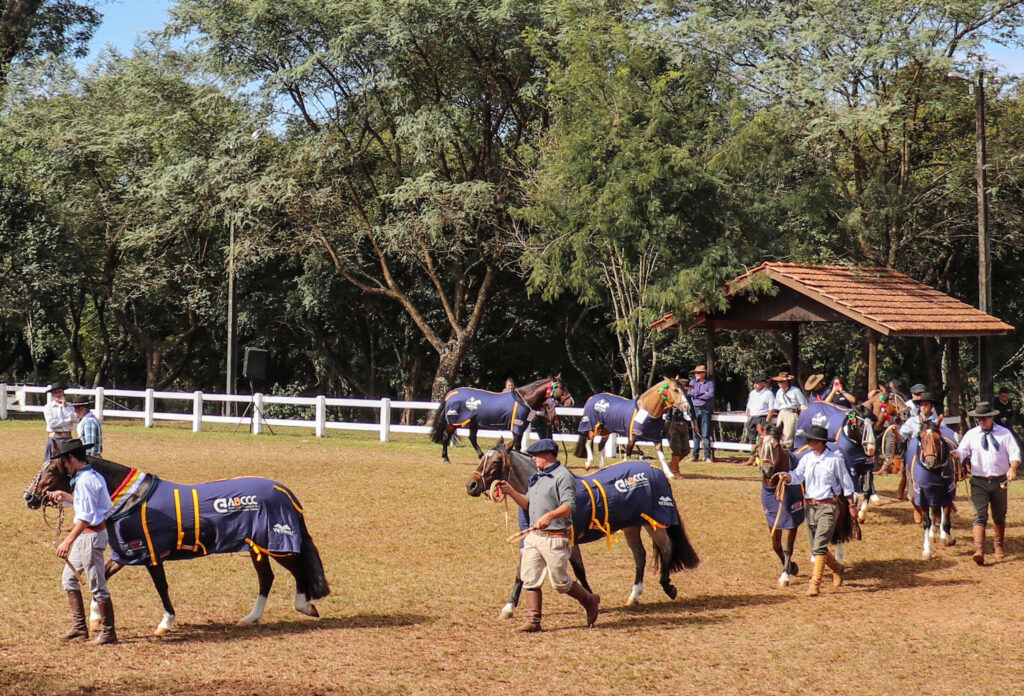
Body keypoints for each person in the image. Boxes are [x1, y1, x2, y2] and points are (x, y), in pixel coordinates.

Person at [496, 439, 600, 632]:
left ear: (548, 455)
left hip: (555, 537)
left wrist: (550, 515)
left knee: (560, 583)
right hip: (535, 537)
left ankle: (589, 600)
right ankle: (533, 620)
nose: (533, 459)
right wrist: (510, 492)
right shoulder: (537, 477)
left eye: (536, 455)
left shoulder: (562, 476)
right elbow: (527, 503)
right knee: (530, 578)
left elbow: (569, 506)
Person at [48, 438, 117, 644]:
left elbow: (86, 517)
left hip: (90, 537)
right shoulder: (90, 476)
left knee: (97, 586)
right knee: (69, 579)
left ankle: (108, 632)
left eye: (64, 461)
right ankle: (79, 627)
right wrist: (68, 498)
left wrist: (67, 542)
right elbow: (97, 505)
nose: (63, 466)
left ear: (71, 458)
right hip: (85, 535)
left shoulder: (86, 481)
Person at [775, 425, 856, 596]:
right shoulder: (807, 459)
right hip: (810, 507)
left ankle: (815, 583)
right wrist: (787, 477)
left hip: (828, 506)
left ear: (820, 442)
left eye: (810, 439)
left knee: (819, 546)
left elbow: (847, 485)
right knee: (816, 547)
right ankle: (837, 568)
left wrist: (851, 505)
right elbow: (798, 475)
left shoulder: (835, 460)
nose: (808, 442)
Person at [955, 402, 1021, 565]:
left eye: (984, 419)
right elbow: (963, 450)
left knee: (999, 515)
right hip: (979, 481)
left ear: (992, 417)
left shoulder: (1004, 433)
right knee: (979, 515)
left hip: (1000, 480)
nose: (981, 422)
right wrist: (956, 454)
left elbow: (1015, 453)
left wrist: (1012, 469)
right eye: (979, 419)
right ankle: (979, 550)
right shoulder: (971, 434)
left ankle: (998, 545)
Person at [767, 372, 806, 449]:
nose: (779, 383)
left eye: (781, 381)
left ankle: (788, 451)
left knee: (788, 434)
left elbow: (803, 403)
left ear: (786, 381)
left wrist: (800, 413)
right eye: (778, 382)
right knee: (778, 433)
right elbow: (777, 405)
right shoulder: (779, 392)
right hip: (782, 412)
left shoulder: (795, 391)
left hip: (791, 412)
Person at [43, 382, 78, 463]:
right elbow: (52, 424)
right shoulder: (48, 407)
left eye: (59, 392)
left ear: (63, 393)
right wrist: (68, 420)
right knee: (50, 465)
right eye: (55, 393)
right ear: (53, 395)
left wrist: (65, 407)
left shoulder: (70, 406)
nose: (58, 394)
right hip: (55, 438)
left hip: (68, 438)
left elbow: (76, 419)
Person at [665, 377, 693, 476]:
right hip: (673, 424)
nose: (687, 390)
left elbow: (691, 412)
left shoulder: (688, 398)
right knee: (676, 449)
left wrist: (695, 425)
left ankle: (671, 465)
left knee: (686, 450)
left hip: (684, 424)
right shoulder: (673, 397)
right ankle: (676, 471)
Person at [687, 365, 715, 462]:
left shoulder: (710, 383)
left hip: (705, 410)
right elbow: (689, 393)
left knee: (705, 434)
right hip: (694, 409)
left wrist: (696, 395)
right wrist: (702, 393)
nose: (696, 374)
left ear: (704, 373)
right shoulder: (692, 382)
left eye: (698, 373)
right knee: (695, 433)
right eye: (696, 373)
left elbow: (710, 395)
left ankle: (707, 456)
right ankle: (695, 456)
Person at [744, 375, 773, 444]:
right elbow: (749, 406)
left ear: (763, 383)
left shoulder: (768, 393)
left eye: (757, 383)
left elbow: (771, 408)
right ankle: (753, 454)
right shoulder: (752, 393)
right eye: (754, 383)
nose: (755, 385)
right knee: (752, 439)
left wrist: (767, 420)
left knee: (763, 439)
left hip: (762, 417)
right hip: (753, 417)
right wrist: (749, 418)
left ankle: (762, 454)